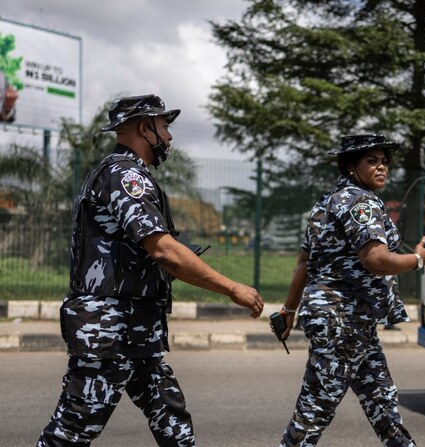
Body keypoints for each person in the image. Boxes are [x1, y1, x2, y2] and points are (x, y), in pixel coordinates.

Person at [37, 94, 264, 447]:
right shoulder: (126, 176)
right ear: (145, 128)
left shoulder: (118, 172)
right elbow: (162, 250)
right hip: (110, 332)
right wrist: (231, 287)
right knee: (70, 433)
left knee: (173, 421)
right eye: (164, 127)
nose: (169, 137)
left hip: (134, 330)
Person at [274, 134, 425, 447]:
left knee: (382, 401)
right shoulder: (361, 202)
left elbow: (305, 262)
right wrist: (417, 260)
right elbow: (374, 259)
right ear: (350, 166)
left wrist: (289, 310)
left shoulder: (326, 203)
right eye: (371, 161)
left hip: (352, 321)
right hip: (343, 321)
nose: (381, 167)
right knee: (316, 409)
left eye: (384, 162)